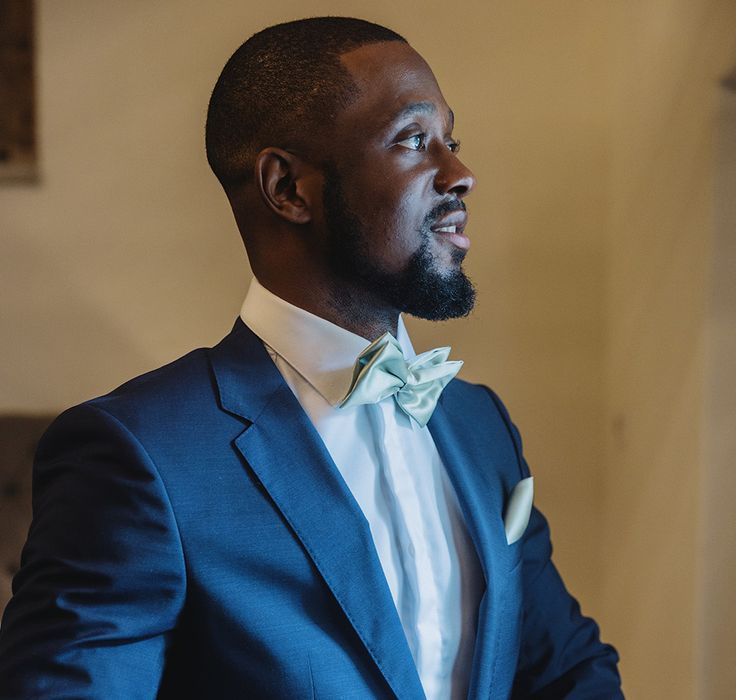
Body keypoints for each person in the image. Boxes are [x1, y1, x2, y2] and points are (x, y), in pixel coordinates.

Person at [0, 17, 622, 699]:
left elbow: (566, 671)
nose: (461, 174)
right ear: (289, 189)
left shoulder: (481, 428)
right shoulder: (141, 454)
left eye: (453, 140)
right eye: (415, 140)